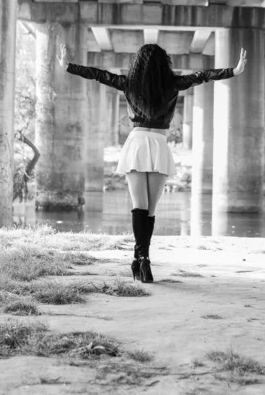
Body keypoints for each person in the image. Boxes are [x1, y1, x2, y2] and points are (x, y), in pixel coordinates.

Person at [58, 43, 247, 283]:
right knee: (150, 210)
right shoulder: (173, 84)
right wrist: (233, 70)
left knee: (139, 206)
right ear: (163, 64)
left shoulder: (128, 83)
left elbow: (98, 75)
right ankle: (143, 259)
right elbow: (203, 77)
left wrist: (68, 66)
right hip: (159, 144)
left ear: (138, 64)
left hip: (137, 143)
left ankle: (141, 259)